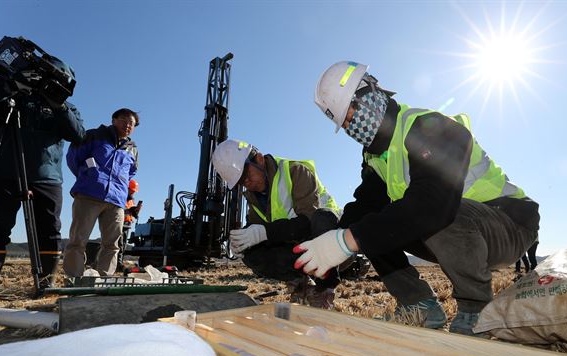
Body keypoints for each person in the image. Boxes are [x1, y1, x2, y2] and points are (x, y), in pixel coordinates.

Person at [294, 61, 540, 335]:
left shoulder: (429, 127)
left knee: (428, 211)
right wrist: (329, 253)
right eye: (346, 123)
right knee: (369, 224)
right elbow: (364, 208)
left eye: (353, 112)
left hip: (510, 222)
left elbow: (435, 204)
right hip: (463, 233)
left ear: (371, 91)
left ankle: (477, 310)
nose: (353, 126)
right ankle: (419, 304)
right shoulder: (375, 157)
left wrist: (349, 240)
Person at [211, 139, 341, 308]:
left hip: (331, 243)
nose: (247, 183)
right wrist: (241, 242)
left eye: (246, 175)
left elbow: (308, 221)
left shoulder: (295, 171)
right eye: (241, 182)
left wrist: (263, 232)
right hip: (297, 246)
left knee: (322, 218)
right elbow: (255, 227)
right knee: (253, 253)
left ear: (258, 159)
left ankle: (325, 289)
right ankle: (301, 285)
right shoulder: (253, 197)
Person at [0, 61, 86, 295]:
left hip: (47, 177)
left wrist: (59, 105)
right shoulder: (13, 95)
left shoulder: (66, 106)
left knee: (49, 232)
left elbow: (78, 134)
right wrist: (10, 87)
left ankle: (45, 284)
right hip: (6, 171)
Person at [63, 108, 139, 277]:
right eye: (124, 120)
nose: (127, 125)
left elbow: (131, 172)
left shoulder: (132, 149)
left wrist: (120, 187)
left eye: (131, 123)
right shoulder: (94, 135)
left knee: (112, 244)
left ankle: (104, 279)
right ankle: (74, 279)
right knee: (78, 240)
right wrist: (90, 176)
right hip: (89, 195)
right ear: (113, 120)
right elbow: (73, 158)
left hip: (116, 201)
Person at [117, 179, 142, 271]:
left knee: (122, 246)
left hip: (127, 224)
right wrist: (129, 210)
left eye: (133, 191)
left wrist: (137, 210)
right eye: (131, 190)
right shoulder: (120, 196)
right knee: (118, 245)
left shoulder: (131, 200)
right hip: (119, 223)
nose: (132, 192)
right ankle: (117, 265)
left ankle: (119, 263)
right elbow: (117, 210)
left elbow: (134, 214)